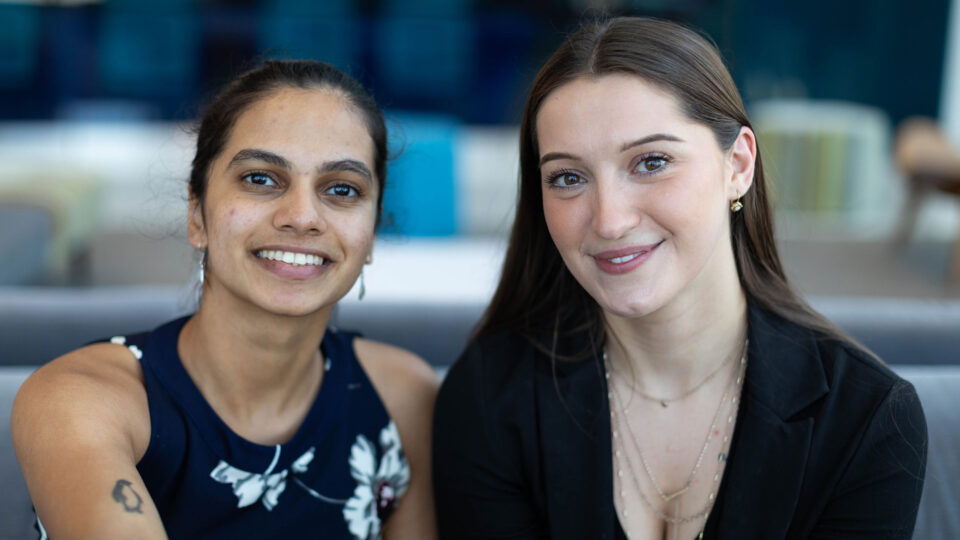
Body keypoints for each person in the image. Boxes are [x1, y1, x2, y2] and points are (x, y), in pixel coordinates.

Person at [433, 17, 927, 540]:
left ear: (737, 165)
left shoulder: (867, 417)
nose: (609, 221)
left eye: (651, 162)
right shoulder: (491, 395)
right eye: (568, 177)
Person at [13, 60, 439, 540]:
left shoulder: (403, 398)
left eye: (342, 189)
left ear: (372, 234)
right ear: (197, 213)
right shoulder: (85, 400)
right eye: (261, 178)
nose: (302, 216)